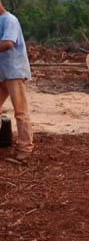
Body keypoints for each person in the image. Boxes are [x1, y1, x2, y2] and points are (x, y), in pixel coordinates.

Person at [0, 2, 32, 160]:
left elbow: (8, 43)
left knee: (20, 111)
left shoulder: (10, 20)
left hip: (14, 72)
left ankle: (24, 150)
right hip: (3, 73)